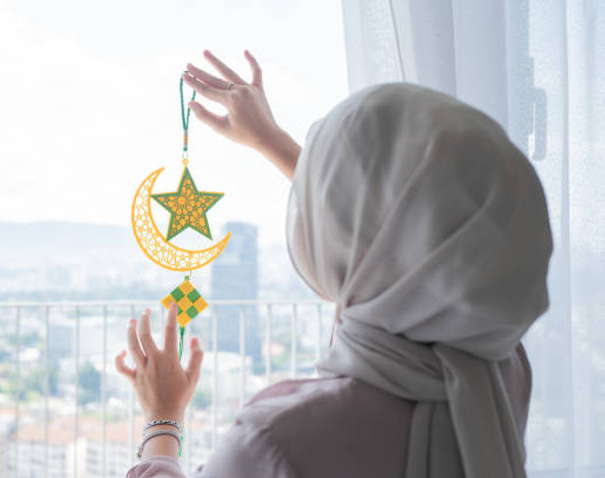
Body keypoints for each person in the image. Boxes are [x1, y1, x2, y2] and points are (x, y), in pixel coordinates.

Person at [116, 50, 553, 478]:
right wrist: (271, 139)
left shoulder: (278, 444)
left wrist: (163, 418)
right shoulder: (501, 374)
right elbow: (400, 246)